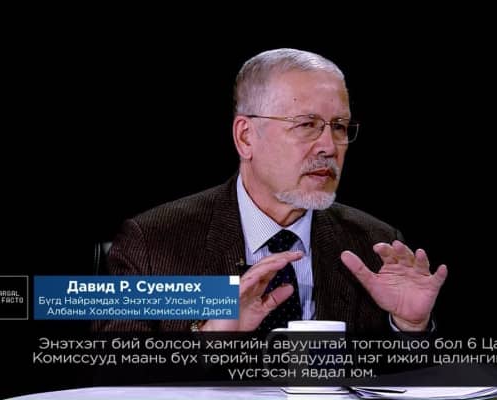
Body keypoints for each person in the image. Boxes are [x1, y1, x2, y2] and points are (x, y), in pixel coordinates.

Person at [95, 48, 447, 333]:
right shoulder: (152, 244)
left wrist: (409, 327)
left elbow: (399, 379)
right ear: (246, 137)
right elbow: (113, 376)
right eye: (307, 124)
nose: (329, 146)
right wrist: (208, 342)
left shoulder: (376, 244)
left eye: (339, 127)